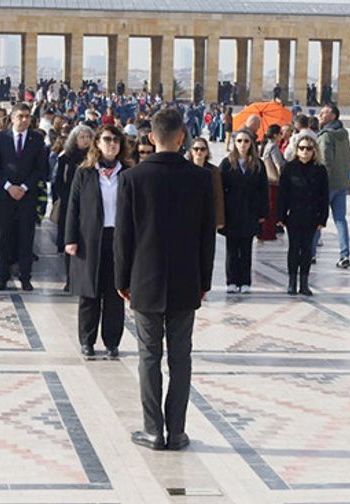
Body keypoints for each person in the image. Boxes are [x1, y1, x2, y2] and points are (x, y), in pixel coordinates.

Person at [115, 108, 215, 451]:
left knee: (148, 357)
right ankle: (178, 431)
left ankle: (153, 431)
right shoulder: (201, 178)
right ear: (182, 138)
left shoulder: (131, 179)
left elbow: (123, 237)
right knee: (181, 358)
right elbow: (208, 237)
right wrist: (204, 281)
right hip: (187, 281)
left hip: (144, 281)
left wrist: (121, 279)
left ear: (151, 138)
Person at [65, 125, 131, 358]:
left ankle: (112, 342)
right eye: (106, 139)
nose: (111, 143)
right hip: (90, 239)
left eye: (116, 140)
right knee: (89, 293)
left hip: (118, 239)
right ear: (98, 143)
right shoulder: (85, 172)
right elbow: (72, 208)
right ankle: (87, 340)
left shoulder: (128, 172)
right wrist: (70, 239)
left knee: (115, 293)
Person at [0, 103, 46, 291]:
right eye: (20, 116)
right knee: (4, 235)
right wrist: (8, 187)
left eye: (27, 116)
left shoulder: (37, 139)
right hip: (5, 195)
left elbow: (40, 168)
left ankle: (25, 276)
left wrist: (23, 187)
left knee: (26, 236)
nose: (24, 120)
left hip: (26, 195)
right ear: (12, 118)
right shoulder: (0, 138)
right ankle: (2, 275)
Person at [277, 136, 329, 296]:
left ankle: (304, 283)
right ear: (297, 150)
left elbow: (324, 195)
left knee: (307, 249)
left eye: (308, 148)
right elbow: (282, 194)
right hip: (294, 214)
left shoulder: (320, 170)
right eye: (302, 148)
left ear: (314, 151)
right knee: (294, 248)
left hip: (311, 215)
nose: (305, 151)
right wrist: (280, 216)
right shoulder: (289, 168)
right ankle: (292, 282)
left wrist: (323, 218)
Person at [219, 130, 269, 294]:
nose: (242, 144)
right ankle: (232, 281)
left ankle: (245, 281)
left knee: (246, 249)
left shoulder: (258, 164)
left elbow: (263, 190)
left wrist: (263, 213)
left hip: (250, 211)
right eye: (239, 141)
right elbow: (219, 189)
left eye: (246, 141)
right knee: (232, 249)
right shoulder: (227, 163)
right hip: (231, 211)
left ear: (251, 144)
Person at [53, 124, 92, 290]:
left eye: (88, 137)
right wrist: (66, 198)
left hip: (90, 206)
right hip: (70, 205)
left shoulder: (94, 158)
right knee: (70, 241)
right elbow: (58, 181)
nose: (85, 140)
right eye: (82, 137)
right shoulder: (65, 157)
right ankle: (70, 278)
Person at [316, 105, 350, 269]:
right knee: (340, 220)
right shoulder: (344, 134)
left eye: (324, 113)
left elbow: (325, 161)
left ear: (333, 116)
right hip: (342, 183)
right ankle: (344, 255)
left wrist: (321, 183)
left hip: (328, 184)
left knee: (318, 219)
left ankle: (310, 254)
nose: (320, 115)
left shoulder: (326, 136)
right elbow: (349, 156)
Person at [187, 137, 225, 231]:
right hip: (188, 213)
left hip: (207, 213)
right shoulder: (185, 169)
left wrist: (219, 220)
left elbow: (218, 195)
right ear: (191, 151)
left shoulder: (214, 171)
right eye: (196, 149)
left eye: (202, 149)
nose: (199, 151)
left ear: (207, 152)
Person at [260, 124, 285, 241]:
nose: (282, 136)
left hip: (267, 180)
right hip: (274, 181)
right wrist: (281, 177)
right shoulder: (274, 147)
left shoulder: (266, 145)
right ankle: (268, 233)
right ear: (275, 135)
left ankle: (264, 231)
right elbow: (277, 164)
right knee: (273, 207)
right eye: (280, 133)